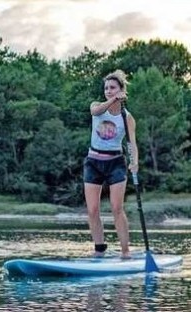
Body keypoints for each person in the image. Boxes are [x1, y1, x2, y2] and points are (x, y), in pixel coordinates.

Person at [83, 69, 138, 259]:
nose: (108, 90)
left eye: (112, 88)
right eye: (106, 88)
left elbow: (132, 143)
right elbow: (95, 111)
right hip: (93, 162)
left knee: (116, 208)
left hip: (115, 163)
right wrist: (113, 100)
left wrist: (135, 162)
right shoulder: (97, 106)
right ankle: (99, 249)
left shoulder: (127, 117)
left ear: (121, 89)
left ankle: (125, 252)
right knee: (92, 209)